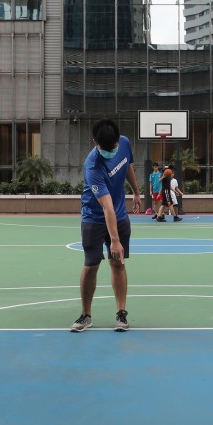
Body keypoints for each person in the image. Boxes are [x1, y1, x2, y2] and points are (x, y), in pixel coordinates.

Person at [71, 119, 143, 333]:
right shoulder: (92, 166)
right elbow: (107, 207)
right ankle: (86, 315)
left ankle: (121, 313)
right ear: (95, 143)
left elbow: (128, 165)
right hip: (94, 217)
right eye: (105, 148)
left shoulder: (124, 143)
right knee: (91, 266)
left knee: (117, 263)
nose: (111, 151)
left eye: (113, 148)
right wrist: (115, 241)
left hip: (119, 216)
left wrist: (137, 192)